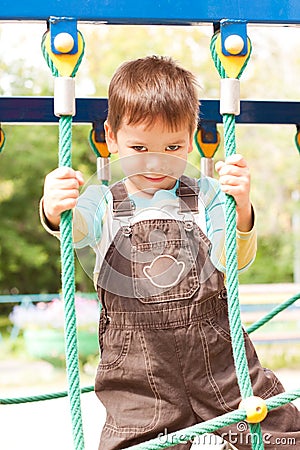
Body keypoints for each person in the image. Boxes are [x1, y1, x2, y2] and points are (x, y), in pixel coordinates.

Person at [41, 56, 300, 450]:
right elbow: (72, 228)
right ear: (111, 138)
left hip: (219, 358)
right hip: (138, 369)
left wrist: (242, 208)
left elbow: (235, 259)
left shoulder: (207, 195)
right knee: (138, 442)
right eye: (139, 146)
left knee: (278, 433)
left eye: (173, 146)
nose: (154, 161)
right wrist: (55, 206)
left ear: (192, 137)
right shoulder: (102, 202)